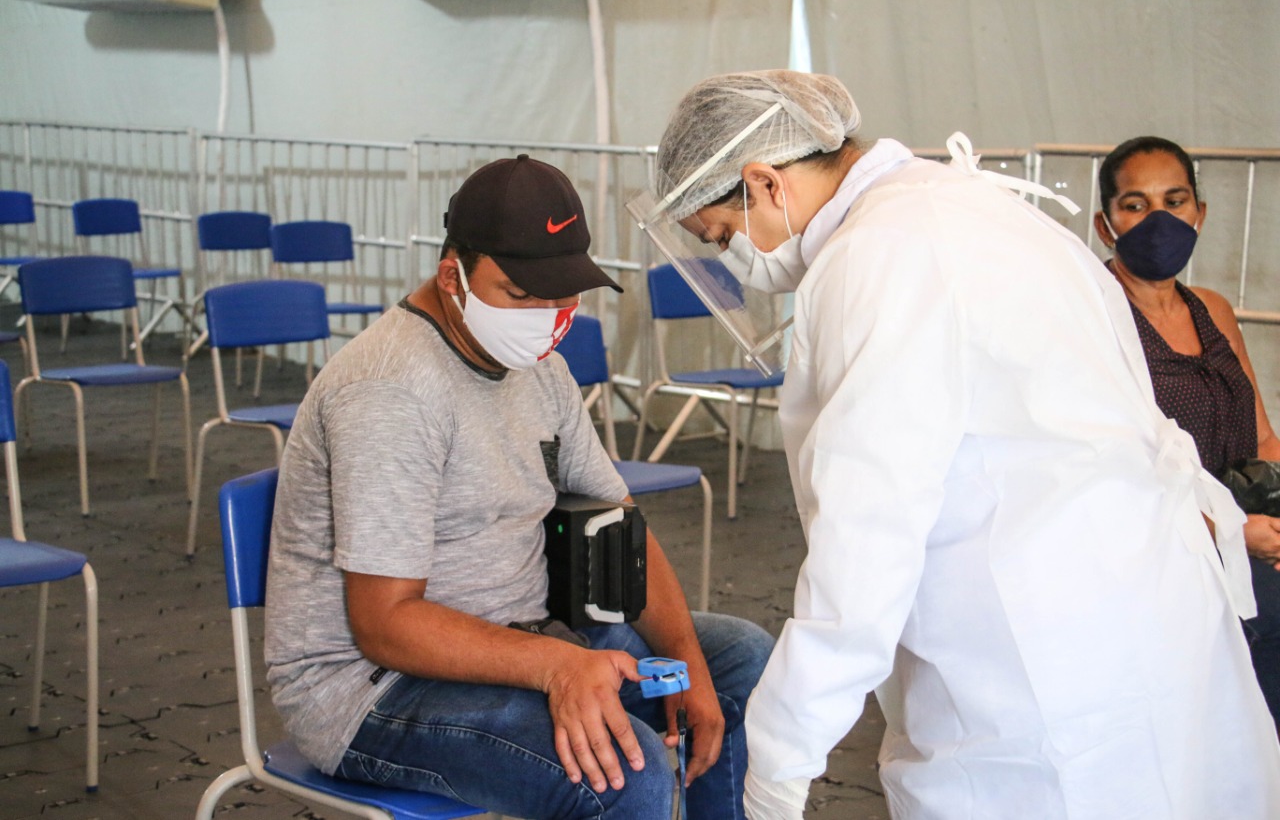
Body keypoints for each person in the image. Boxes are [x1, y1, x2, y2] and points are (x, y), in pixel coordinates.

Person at [647, 70, 1280, 819]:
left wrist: (781, 760)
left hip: (1038, 661)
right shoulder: (976, 205)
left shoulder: (876, 255)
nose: (736, 259)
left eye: (723, 236)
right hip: (1145, 608)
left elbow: (867, 540)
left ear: (764, 182)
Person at [263, 154, 773, 820]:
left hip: (527, 634)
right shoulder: (390, 391)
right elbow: (385, 625)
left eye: (563, 293)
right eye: (521, 294)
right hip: (376, 688)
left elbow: (620, 526)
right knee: (628, 773)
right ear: (453, 276)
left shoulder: (539, 368)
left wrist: (688, 665)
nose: (547, 315)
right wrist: (554, 665)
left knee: (738, 662)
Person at [1094, 135, 1280, 728]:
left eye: (1174, 202)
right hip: (1159, 554)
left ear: (1199, 212)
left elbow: (1262, 438)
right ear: (1104, 225)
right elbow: (1101, 476)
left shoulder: (1214, 310)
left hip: (1246, 538)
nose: (1159, 220)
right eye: (1135, 204)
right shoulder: (1092, 317)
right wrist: (1230, 533)